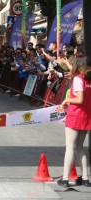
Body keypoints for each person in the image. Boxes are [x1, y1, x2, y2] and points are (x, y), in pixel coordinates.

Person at [57, 57, 91, 188]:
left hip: (75, 115)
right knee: (79, 148)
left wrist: (67, 100)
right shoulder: (88, 80)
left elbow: (80, 99)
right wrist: (66, 63)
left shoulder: (78, 79)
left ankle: (65, 179)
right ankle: (85, 178)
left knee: (70, 147)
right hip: (86, 116)